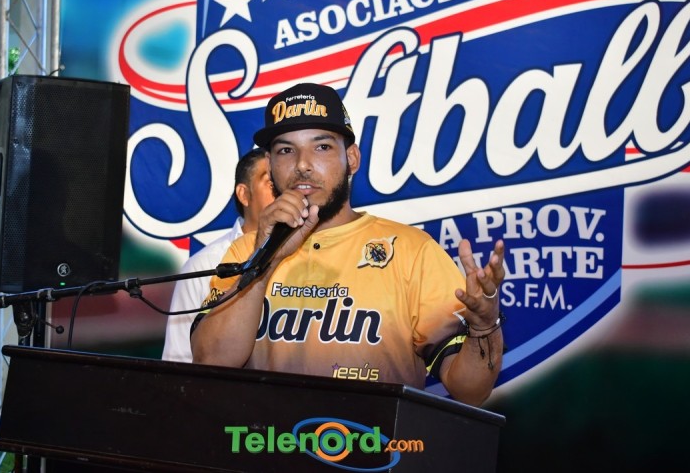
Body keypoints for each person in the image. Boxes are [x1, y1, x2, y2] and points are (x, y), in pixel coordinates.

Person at [192, 83, 505, 406]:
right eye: (286, 150)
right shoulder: (246, 252)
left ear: (352, 158)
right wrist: (263, 262)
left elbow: (471, 390)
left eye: (322, 147)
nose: (302, 164)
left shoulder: (413, 251)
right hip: (262, 436)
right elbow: (211, 362)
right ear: (270, 167)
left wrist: (484, 327)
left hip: (372, 439)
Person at [161, 147, 274, 362]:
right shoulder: (204, 264)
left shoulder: (308, 253)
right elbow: (179, 359)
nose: (281, 192)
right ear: (244, 194)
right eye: (270, 183)